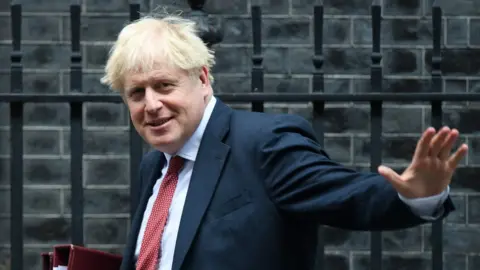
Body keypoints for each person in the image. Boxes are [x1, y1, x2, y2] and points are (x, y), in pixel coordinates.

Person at [100, 14, 468, 270]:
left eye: (164, 86)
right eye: (136, 93)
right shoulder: (156, 166)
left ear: (203, 78)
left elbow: (344, 194)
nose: (151, 104)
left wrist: (415, 194)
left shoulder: (264, 144)